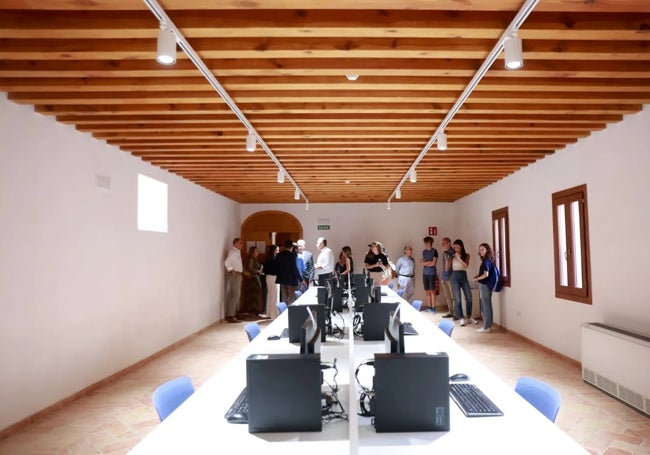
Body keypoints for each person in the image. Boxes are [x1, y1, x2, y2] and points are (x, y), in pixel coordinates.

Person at [450, 239, 478, 327]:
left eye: (457, 247)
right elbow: (447, 268)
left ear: (461, 247)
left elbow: (465, 266)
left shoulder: (467, 255)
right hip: (454, 276)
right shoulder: (452, 255)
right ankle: (461, 318)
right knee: (457, 299)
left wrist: (458, 258)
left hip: (463, 275)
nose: (456, 249)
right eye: (454, 247)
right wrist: (448, 259)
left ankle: (469, 317)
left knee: (469, 297)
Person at [473, 243, 496, 333]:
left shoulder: (486, 261)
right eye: (479, 249)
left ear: (487, 250)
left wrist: (477, 278)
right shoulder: (489, 260)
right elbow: (486, 273)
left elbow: (486, 274)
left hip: (485, 286)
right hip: (486, 286)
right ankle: (487, 326)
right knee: (487, 306)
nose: (480, 251)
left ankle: (486, 327)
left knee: (486, 306)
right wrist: (478, 276)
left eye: (482, 249)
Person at [275, 240, 302, 305]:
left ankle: (283, 312)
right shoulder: (292, 255)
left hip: (282, 279)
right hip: (291, 280)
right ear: (291, 247)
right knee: (291, 298)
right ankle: (290, 313)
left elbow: (276, 266)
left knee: (284, 297)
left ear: (284, 246)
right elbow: (294, 268)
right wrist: (300, 279)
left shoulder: (279, 255)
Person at [224, 237, 243, 323]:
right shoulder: (232, 253)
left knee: (236, 295)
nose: (241, 245)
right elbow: (226, 262)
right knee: (236, 295)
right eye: (240, 243)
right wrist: (231, 270)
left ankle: (234, 313)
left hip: (238, 274)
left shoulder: (237, 252)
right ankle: (230, 315)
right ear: (235, 243)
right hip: (234, 275)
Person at [244, 246, 265, 317]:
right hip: (253, 279)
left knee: (256, 295)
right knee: (253, 296)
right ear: (252, 252)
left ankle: (256, 311)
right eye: (256, 251)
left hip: (256, 278)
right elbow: (250, 268)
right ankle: (252, 311)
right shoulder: (251, 259)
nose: (258, 252)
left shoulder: (255, 259)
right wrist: (258, 271)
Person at [420, 236, 438, 312]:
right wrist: (428, 262)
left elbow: (433, 263)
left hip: (432, 274)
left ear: (429, 242)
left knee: (432, 291)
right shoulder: (424, 252)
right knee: (427, 291)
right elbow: (421, 263)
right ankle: (429, 307)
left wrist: (425, 263)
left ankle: (433, 307)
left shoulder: (435, 251)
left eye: (426, 242)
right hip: (425, 273)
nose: (425, 244)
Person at [440, 237, 456, 319]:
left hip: (451, 277)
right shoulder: (444, 252)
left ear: (449, 243)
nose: (442, 245)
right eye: (442, 243)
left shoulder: (453, 252)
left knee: (453, 296)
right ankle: (450, 312)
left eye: (443, 243)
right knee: (447, 296)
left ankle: (456, 313)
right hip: (444, 277)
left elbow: (448, 266)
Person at [263, 244, 279, 319]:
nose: (278, 251)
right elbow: (276, 270)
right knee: (274, 296)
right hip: (274, 277)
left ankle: (268, 313)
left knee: (269, 295)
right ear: (274, 251)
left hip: (268, 277)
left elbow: (264, 270)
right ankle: (274, 314)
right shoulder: (274, 259)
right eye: (277, 250)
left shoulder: (267, 258)